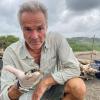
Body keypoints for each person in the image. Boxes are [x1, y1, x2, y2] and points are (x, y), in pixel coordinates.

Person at [1, 1, 86, 100]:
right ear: (21, 28)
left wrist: (45, 82)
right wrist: (20, 86)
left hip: (52, 90)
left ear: (46, 27)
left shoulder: (57, 40)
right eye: (28, 29)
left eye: (40, 28)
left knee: (78, 86)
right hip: (27, 96)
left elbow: (74, 68)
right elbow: (3, 96)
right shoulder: (11, 52)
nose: (34, 36)